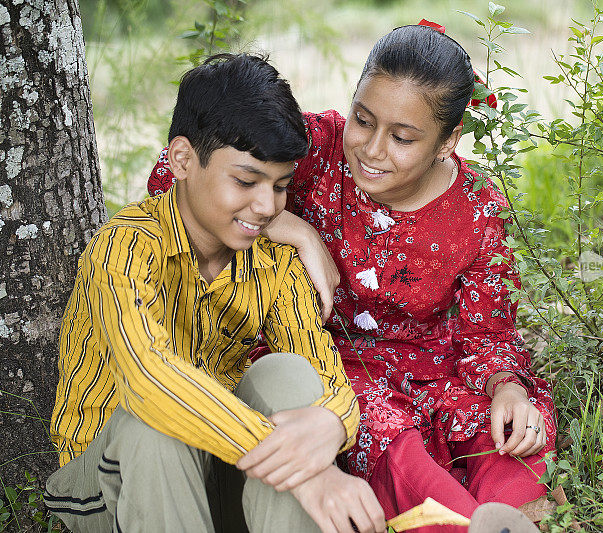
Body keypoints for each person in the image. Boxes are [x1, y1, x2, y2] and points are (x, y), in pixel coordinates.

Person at [149, 24, 556, 531]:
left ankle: (511, 517)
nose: (371, 149)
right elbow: (175, 175)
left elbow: (485, 335)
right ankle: (461, 524)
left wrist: (506, 388)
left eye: (403, 137)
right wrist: (293, 228)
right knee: (386, 436)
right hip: (328, 360)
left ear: (448, 140)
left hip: (432, 367)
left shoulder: (477, 207)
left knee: (506, 428)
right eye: (364, 120)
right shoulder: (316, 148)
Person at [45, 53, 385, 533]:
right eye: (246, 181)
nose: (267, 207)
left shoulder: (275, 264)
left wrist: (333, 425)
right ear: (182, 160)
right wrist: (306, 475)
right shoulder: (124, 248)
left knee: (287, 376)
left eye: (281, 186)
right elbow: (151, 381)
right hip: (115, 485)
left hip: (220, 469)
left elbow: (329, 381)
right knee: (155, 422)